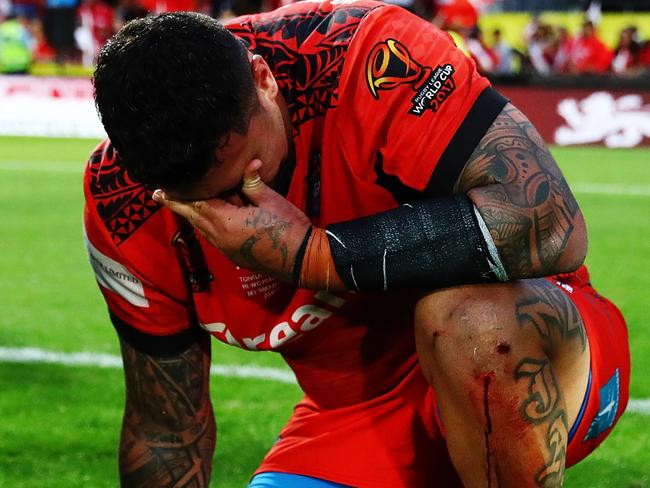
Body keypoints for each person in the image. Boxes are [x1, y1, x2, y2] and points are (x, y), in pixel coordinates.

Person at [84, 1, 630, 486]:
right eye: (203, 201)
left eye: (249, 175)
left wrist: (314, 253)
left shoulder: (362, 53)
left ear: (264, 79)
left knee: (469, 322)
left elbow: (550, 223)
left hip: (537, 356)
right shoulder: (121, 200)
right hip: (358, 415)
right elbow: (167, 432)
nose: (239, 207)